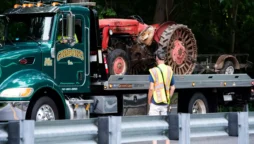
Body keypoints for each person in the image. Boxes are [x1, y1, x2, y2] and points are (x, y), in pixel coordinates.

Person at [148, 48, 176, 144]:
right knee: (166, 125)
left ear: (157, 58)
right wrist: (168, 98)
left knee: (153, 125)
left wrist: (149, 101)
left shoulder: (154, 71)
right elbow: (173, 88)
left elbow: (151, 88)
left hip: (155, 102)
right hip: (165, 103)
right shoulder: (169, 70)